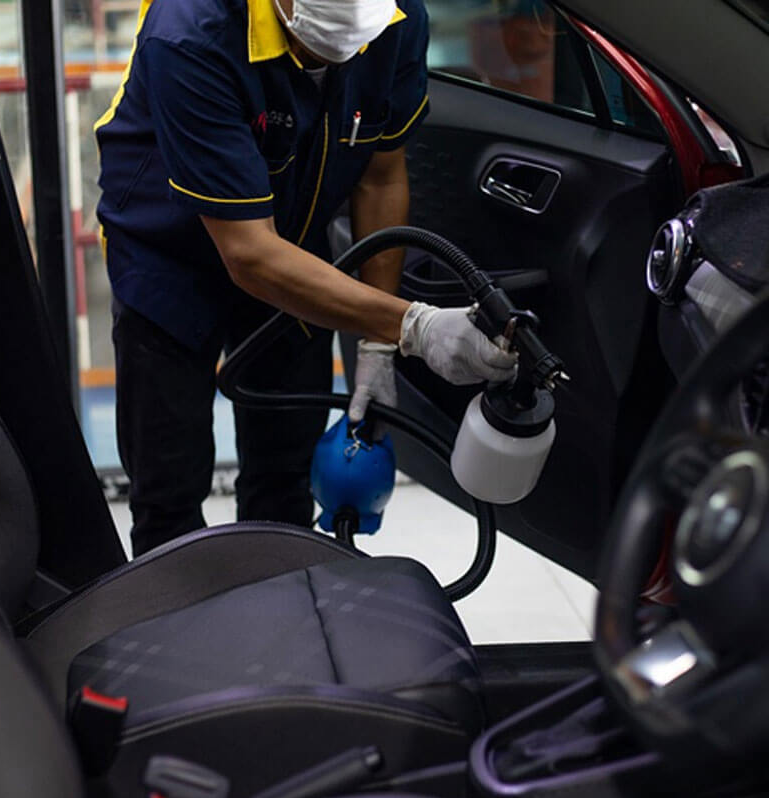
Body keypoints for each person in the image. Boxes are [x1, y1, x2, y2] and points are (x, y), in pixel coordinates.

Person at [96, 0, 516, 556]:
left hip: (294, 246)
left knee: (284, 479)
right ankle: (179, 602)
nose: (340, 59)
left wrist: (376, 345)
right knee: (168, 493)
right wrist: (412, 326)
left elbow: (380, 176)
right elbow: (249, 254)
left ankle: (282, 597)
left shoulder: (395, 19)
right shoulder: (189, 33)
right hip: (168, 259)